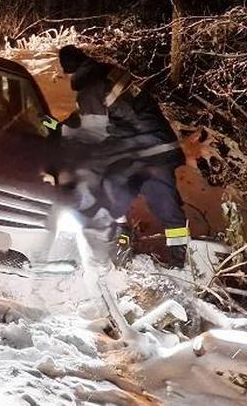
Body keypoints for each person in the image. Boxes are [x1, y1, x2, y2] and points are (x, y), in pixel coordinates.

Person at [57, 45, 189, 268]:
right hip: (158, 146)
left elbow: (93, 131)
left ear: (68, 70)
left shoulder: (89, 88)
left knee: (112, 194)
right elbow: (108, 111)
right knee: (165, 208)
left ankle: (122, 248)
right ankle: (181, 260)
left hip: (139, 152)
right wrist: (64, 125)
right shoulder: (108, 73)